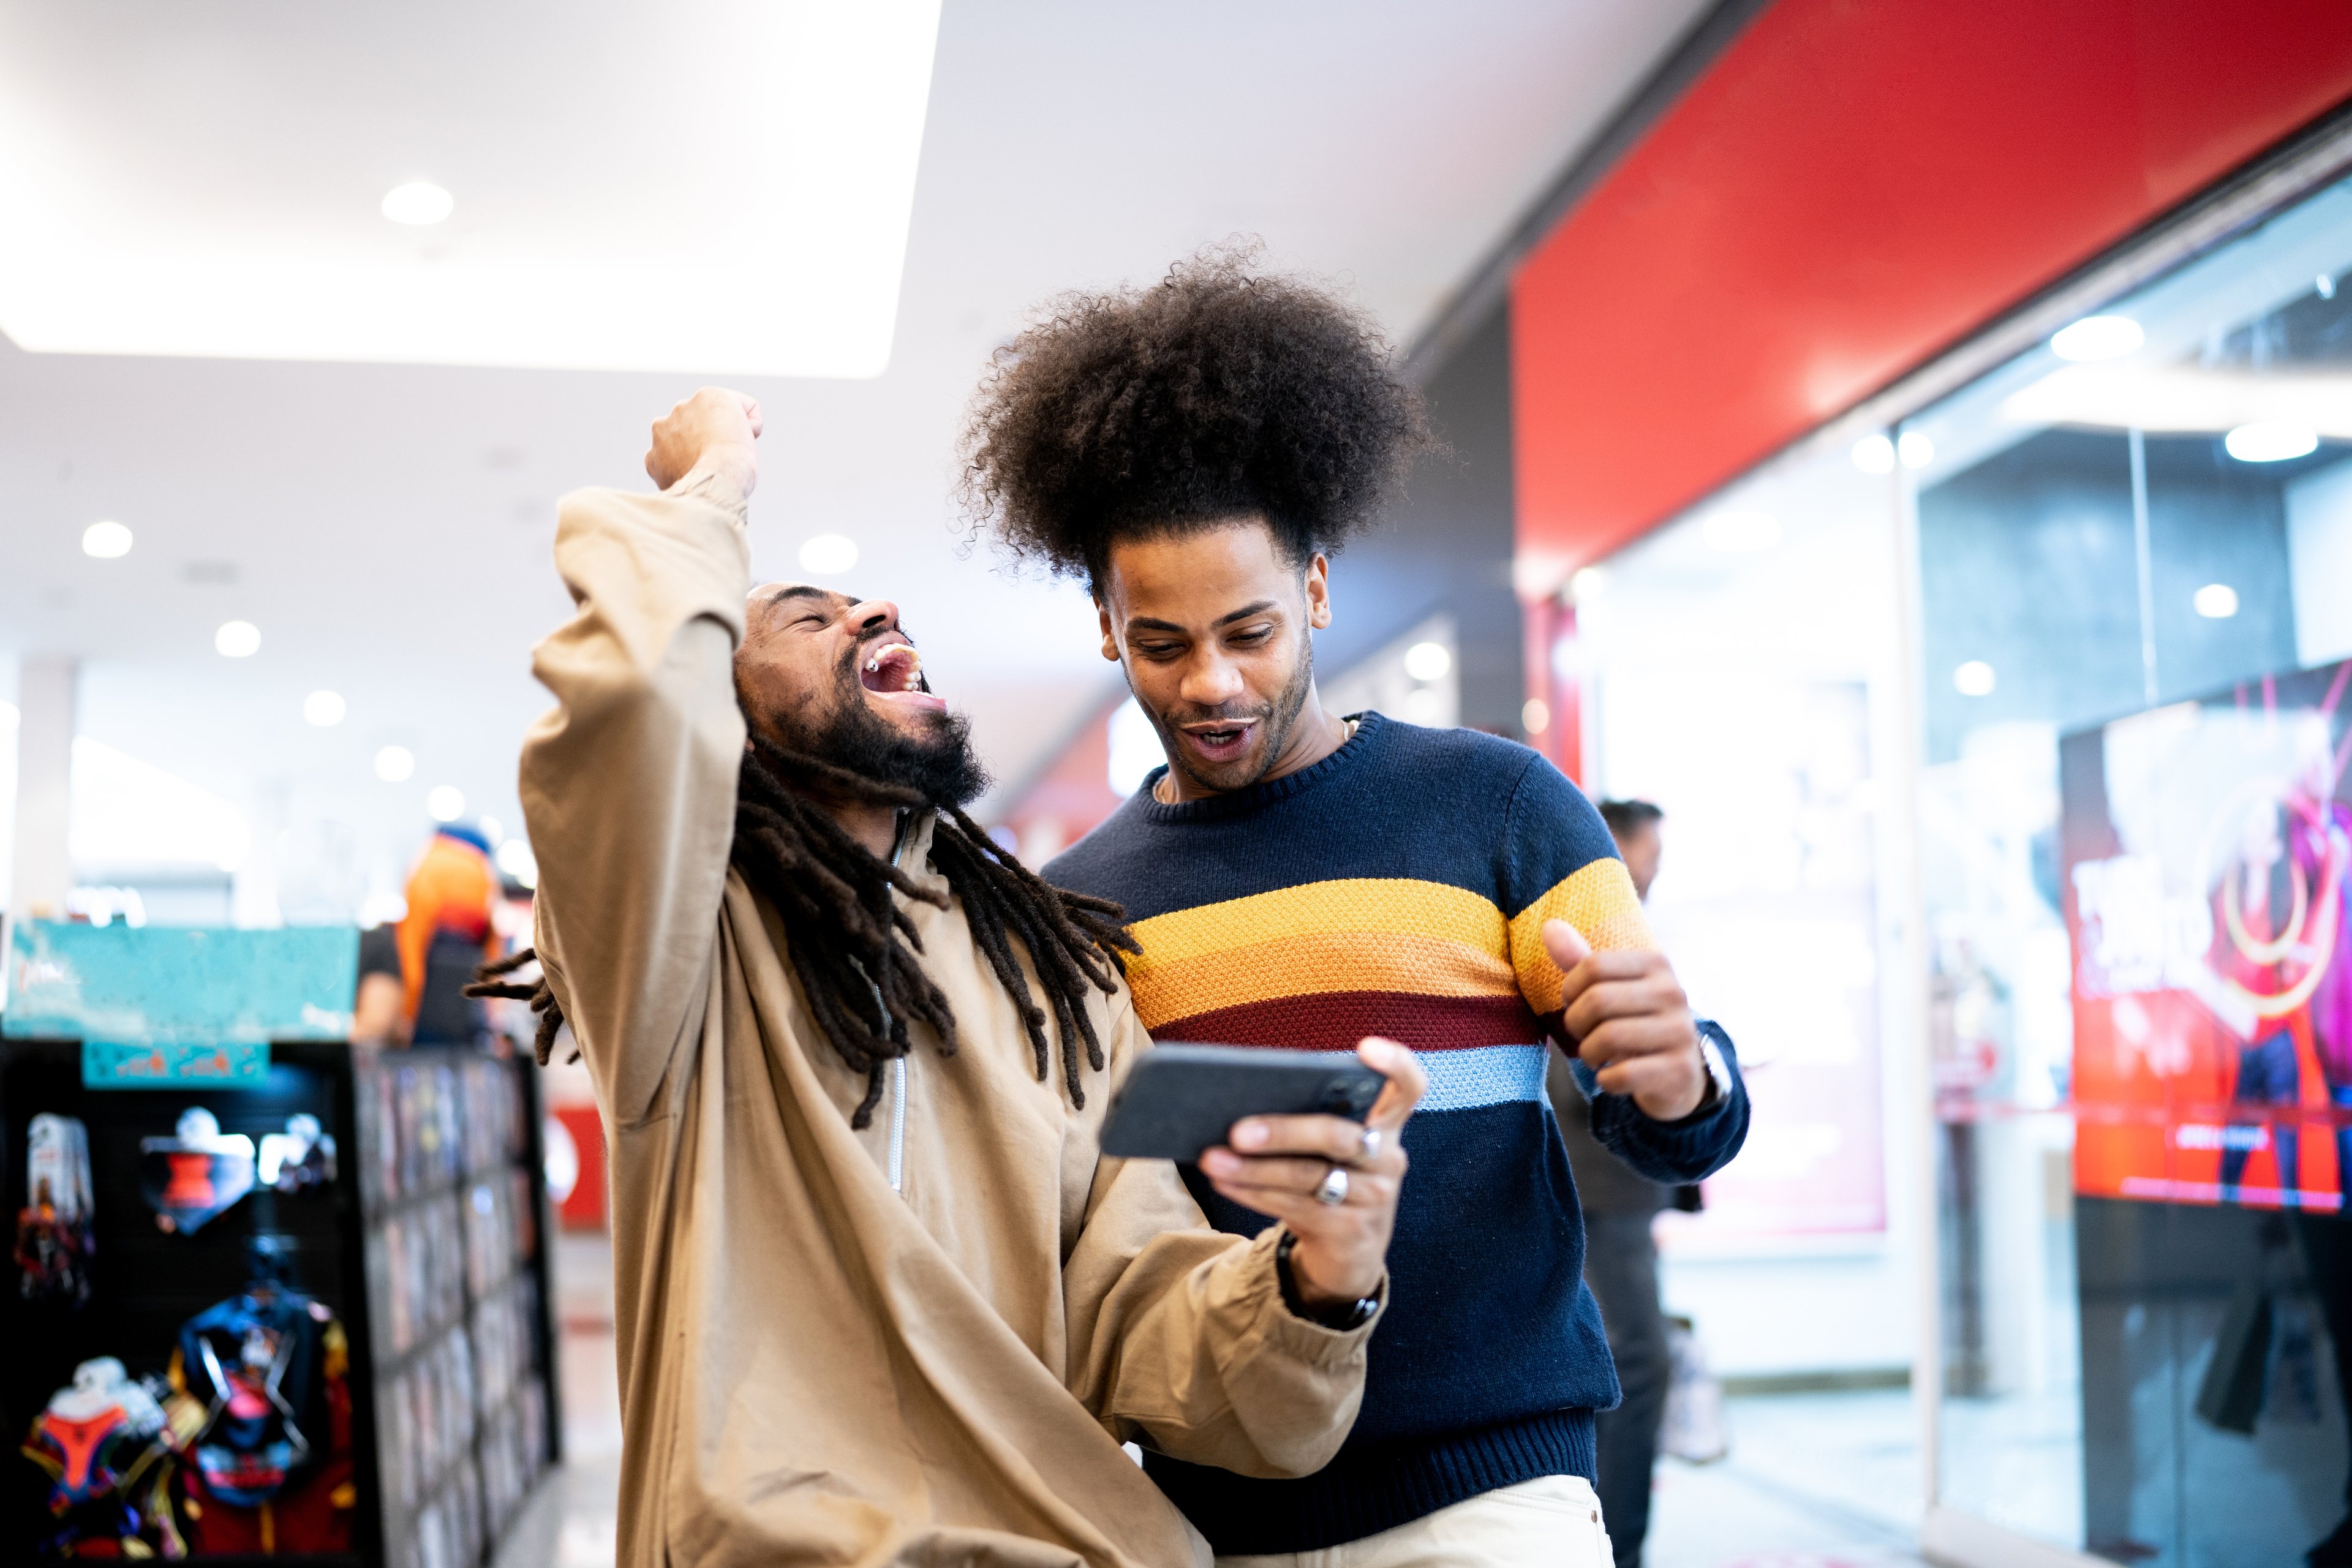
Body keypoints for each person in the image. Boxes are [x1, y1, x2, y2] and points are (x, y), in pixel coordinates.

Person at [481, 388, 1428, 1567]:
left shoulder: (1063, 984)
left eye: (867, 604)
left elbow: (1151, 1327)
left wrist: (1314, 1287)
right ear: (723, 712)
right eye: (807, 618)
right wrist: (710, 481)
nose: (874, 608)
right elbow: (628, 709)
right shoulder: (675, 955)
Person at [963, 252, 1750, 1567]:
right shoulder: (1075, 906)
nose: (1211, 680)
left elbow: (1676, 1124)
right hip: (1217, 1515)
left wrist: (1687, 1079)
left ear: (1317, 591)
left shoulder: (1499, 801)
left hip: (1499, 1497)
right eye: (1162, 642)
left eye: (1251, 629)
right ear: (1107, 626)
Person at [1551, 799, 1675, 1568]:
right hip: (1597, 1185)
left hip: (1617, 1189)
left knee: (1629, 1366)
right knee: (1634, 1367)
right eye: (1649, 847)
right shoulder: (1587, 925)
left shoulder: (1619, 925)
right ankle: (1615, 1550)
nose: (1656, 863)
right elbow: (1580, 1069)